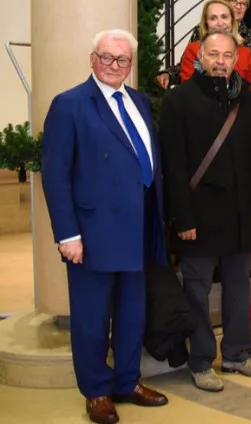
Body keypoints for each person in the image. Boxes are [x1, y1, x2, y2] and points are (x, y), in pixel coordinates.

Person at [41, 30, 170, 424]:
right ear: (92, 59)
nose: (115, 66)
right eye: (107, 58)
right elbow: (55, 173)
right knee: (92, 316)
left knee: (133, 312)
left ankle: (127, 381)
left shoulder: (139, 102)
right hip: (93, 232)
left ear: (131, 64)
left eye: (123, 60)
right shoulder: (70, 105)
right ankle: (96, 390)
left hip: (138, 227)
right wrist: (67, 234)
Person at [160, 30, 251, 391]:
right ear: (200, 57)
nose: (221, 61)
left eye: (227, 55)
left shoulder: (247, 100)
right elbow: (173, 166)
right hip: (199, 218)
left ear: (236, 58)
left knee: (240, 287)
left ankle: (238, 354)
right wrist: (184, 217)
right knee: (197, 290)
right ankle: (201, 360)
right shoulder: (179, 101)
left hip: (240, 216)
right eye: (214, 54)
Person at [156, 0, 251, 92]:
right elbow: (186, 71)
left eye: (243, 3)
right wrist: (169, 74)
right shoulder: (195, 45)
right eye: (234, 2)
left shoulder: (248, 43)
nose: (219, 23)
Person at [177, 0, 251, 90]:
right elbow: (188, 88)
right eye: (213, 18)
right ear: (206, 23)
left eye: (224, 17)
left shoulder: (245, 52)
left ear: (232, 21)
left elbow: (249, 90)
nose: (219, 23)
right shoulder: (194, 49)